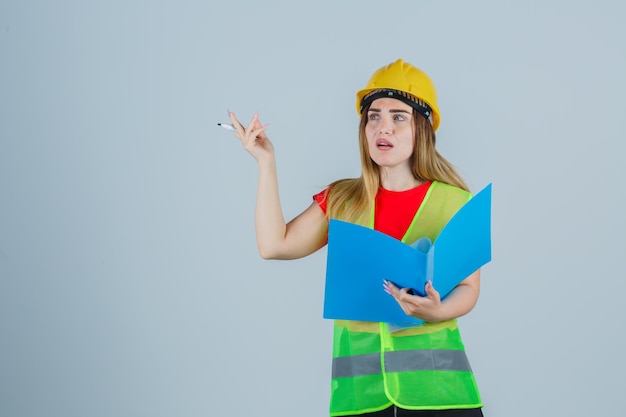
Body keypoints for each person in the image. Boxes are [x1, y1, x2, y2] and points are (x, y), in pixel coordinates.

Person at [227, 59, 484, 417]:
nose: (384, 127)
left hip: (439, 396)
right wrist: (265, 162)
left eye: (398, 117)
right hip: (360, 400)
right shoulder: (342, 200)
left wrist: (439, 310)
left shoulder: (455, 201)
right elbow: (274, 245)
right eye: (374, 116)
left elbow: (469, 289)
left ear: (422, 128)